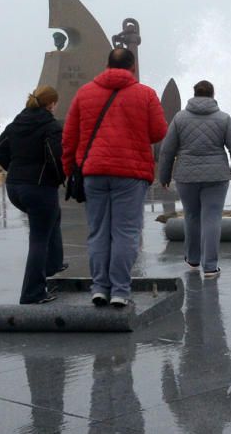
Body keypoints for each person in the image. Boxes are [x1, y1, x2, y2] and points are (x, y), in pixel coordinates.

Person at [62, 47, 167, 307]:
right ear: (132, 68)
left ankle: (99, 288)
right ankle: (120, 290)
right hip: (130, 174)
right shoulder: (145, 94)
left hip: (94, 173)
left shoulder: (84, 93)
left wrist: (70, 171)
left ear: (107, 65)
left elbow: (69, 136)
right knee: (126, 233)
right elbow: (158, 132)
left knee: (98, 232)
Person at [158, 80, 231, 279]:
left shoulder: (180, 118)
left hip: (186, 176)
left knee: (192, 216)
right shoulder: (223, 119)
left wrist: (164, 176)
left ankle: (193, 259)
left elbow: (167, 150)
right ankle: (211, 267)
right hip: (216, 176)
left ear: (194, 94)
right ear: (213, 95)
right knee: (212, 218)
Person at [0, 86, 66, 304]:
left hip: (14, 187)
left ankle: (53, 264)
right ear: (51, 104)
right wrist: (60, 179)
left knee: (53, 217)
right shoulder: (50, 126)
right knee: (38, 239)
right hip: (39, 188)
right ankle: (32, 294)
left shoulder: (16, 124)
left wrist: (15, 169)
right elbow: (55, 158)